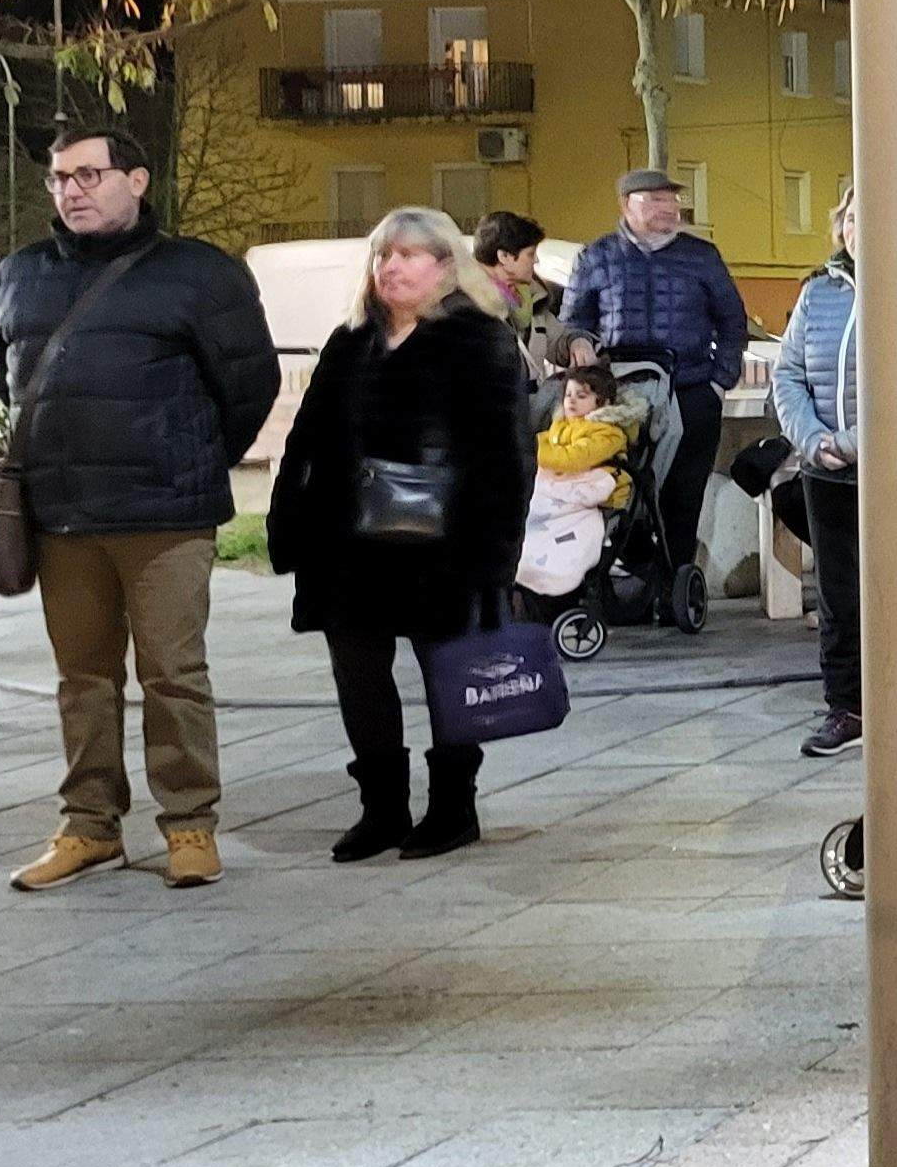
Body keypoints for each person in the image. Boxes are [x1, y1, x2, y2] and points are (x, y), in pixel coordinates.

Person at [0, 130, 281, 892]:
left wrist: (190, 458)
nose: (72, 190)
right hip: (62, 516)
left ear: (138, 178)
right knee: (80, 678)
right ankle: (89, 826)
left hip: (165, 515)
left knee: (172, 674)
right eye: (59, 178)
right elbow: (9, 382)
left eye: (90, 174)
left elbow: (250, 387)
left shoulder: (198, 273)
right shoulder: (20, 275)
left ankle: (189, 824)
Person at [269, 208, 527, 863]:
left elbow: (507, 455)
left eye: (410, 254)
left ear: (446, 265)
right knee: (358, 673)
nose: (392, 266)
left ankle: (452, 807)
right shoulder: (350, 341)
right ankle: (381, 809)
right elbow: (307, 438)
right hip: (347, 546)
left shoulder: (480, 340)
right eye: (384, 255)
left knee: (449, 673)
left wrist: (495, 551)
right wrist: (290, 520)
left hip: (443, 543)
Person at [560, 171, 750, 591]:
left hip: (692, 390)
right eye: (655, 200)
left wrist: (719, 382)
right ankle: (635, 583)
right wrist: (576, 341)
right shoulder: (597, 256)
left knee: (683, 497)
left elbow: (733, 322)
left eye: (672, 201)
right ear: (626, 205)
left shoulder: (702, 256)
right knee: (617, 494)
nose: (668, 209)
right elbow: (573, 321)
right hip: (619, 399)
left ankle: (672, 589)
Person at [773, 184, 867, 758]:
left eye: (871, 215)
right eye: (852, 217)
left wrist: (856, 443)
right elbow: (787, 375)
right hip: (824, 468)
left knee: (894, 593)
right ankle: (846, 706)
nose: (859, 227)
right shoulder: (818, 293)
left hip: (887, 470)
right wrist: (812, 440)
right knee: (837, 596)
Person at [517, 364, 641, 601]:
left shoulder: (608, 433)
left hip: (597, 500)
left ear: (602, 403)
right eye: (568, 395)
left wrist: (530, 450)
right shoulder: (561, 426)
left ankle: (558, 580)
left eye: (581, 396)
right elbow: (545, 442)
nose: (571, 401)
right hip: (561, 492)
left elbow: (574, 458)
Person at [473, 210, 568, 382]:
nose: (536, 261)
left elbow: (559, 341)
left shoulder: (532, 299)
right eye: (531, 254)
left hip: (526, 404)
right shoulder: (468, 304)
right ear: (504, 256)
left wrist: (578, 341)